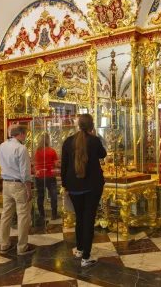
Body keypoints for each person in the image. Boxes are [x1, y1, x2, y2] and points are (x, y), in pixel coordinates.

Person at [61, 114, 106, 267]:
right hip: (92, 186)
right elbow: (103, 154)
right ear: (92, 126)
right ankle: (86, 257)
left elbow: (64, 166)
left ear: (78, 125)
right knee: (89, 219)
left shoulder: (68, 141)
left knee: (80, 218)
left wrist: (65, 185)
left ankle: (80, 249)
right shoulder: (94, 140)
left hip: (73, 186)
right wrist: (95, 136)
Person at [0, 125, 36, 256]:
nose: (25, 137)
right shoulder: (21, 148)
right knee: (23, 215)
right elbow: (25, 172)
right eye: (25, 134)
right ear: (20, 134)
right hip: (19, 185)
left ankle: (4, 244)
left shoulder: (1, 146)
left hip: (6, 184)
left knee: (6, 215)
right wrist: (29, 190)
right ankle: (22, 246)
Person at [35, 133, 60, 220]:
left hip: (39, 176)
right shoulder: (51, 151)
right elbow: (56, 163)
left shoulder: (36, 151)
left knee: (40, 195)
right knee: (53, 195)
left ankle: (42, 213)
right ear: (47, 140)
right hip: (50, 175)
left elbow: (34, 163)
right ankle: (54, 214)